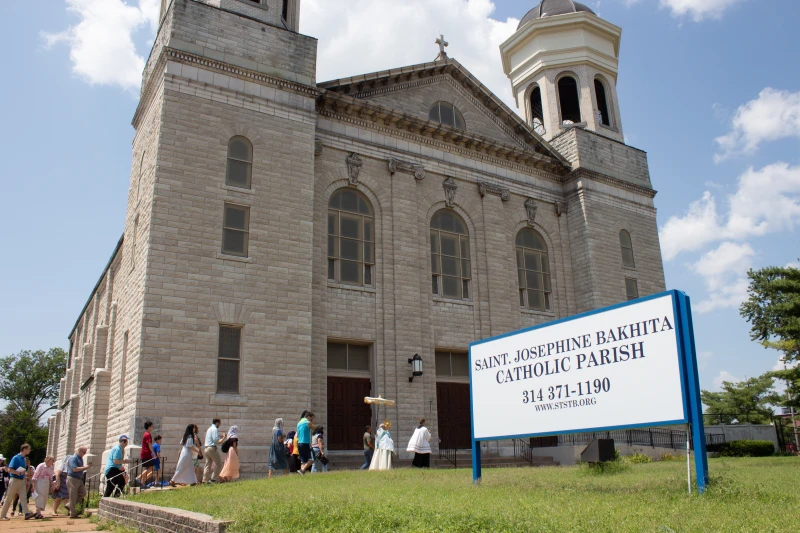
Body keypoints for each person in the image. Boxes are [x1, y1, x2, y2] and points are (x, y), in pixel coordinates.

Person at [0, 443, 34, 520]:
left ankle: (27, 513)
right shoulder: (15, 458)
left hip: (22, 480)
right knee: (9, 498)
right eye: (29, 449)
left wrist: (24, 474)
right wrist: (17, 472)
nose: (29, 450)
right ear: (24, 449)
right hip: (14, 480)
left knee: (23, 497)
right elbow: (9, 469)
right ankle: (2, 515)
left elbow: (24, 470)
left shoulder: (24, 459)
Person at [65, 446, 92, 519]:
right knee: (73, 496)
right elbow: (74, 469)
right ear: (79, 451)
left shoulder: (80, 458)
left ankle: (69, 505)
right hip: (72, 479)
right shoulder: (73, 458)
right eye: (84, 452)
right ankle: (73, 514)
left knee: (83, 493)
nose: (84, 454)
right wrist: (86, 467)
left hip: (79, 479)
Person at [203, 418, 226, 483]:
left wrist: (220, 436)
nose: (220, 424)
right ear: (217, 423)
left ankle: (205, 479)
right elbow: (216, 441)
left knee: (207, 465)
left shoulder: (209, 429)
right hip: (212, 448)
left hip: (206, 448)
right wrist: (224, 437)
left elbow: (213, 438)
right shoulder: (215, 429)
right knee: (219, 463)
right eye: (220, 423)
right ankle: (213, 479)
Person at [137, 421, 156, 487]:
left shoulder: (146, 434)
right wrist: (153, 454)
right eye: (152, 426)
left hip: (145, 454)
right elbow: (149, 445)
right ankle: (139, 478)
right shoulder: (148, 435)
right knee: (149, 469)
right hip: (147, 454)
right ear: (149, 427)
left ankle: (142, 482)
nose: (152, 427)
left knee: (150, 469)